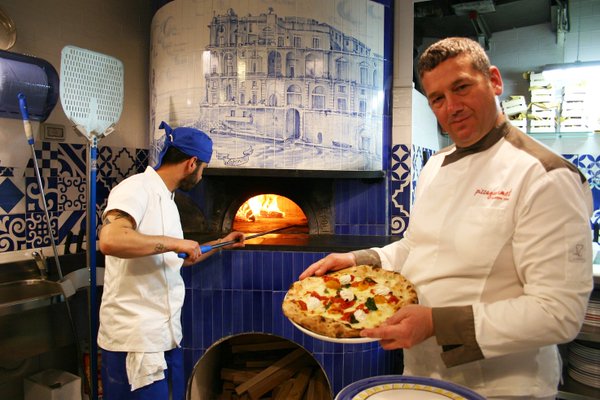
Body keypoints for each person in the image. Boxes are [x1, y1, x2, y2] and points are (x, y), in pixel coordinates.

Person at [300, 37, 594, 399]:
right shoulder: (436, 165)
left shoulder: (546, 176)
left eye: (462, 88)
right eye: (437, 98)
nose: (451, 106)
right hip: (422, 372)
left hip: (503, 385)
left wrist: (436, 323)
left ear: (495, 81)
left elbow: (559, 312)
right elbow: (419, 246)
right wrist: (360, 260)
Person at [97, 121, 245, 400]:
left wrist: (222, 242)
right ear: (192, 163)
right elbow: (111, 240)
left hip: (164, 337)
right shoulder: (135, 189)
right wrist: (178, 242)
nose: (201, 176)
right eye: (203, 168)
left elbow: (176, 259)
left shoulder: (167, 198)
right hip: (136, 342)